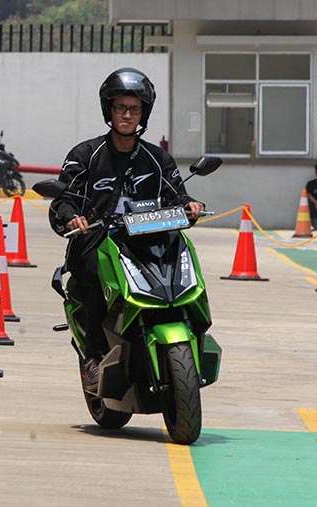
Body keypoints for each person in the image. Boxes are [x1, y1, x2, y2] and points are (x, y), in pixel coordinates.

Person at [48, 68, 205, 391]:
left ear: (143, 113)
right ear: (109, 110)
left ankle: (197, 333)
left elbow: (177, 193)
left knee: (185, 263)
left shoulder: (157, 158)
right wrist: (71, 219)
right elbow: (62, 200)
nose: (127, 115)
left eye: (134, 109)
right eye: (121, 108)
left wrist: (191, 205)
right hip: (97, 242)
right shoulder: (85, 155)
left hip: (148, 243)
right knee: (95, 276)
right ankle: (92, 357)